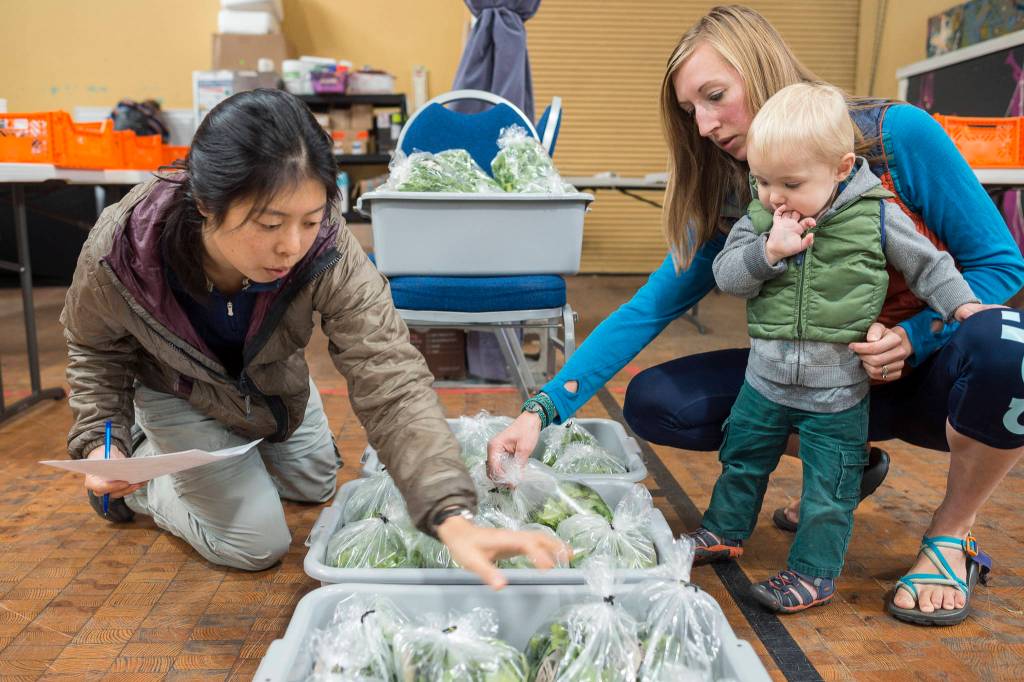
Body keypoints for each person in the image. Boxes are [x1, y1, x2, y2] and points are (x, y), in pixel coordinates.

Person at [488, 5, 1024, 624]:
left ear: (762, 68)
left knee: (1008, 348)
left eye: (715, 96)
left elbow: (999, 265)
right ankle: (847, 463)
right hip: (814, 380)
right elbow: (646, 310)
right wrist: (540, 410)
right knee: (658, 400)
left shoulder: (893, 136)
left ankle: (950, 535)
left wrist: (914, 335)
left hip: (929, 382)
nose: (705, 125)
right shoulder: (741, 191)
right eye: (691, 111)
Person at [62, 88, 565, 589]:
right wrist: (105, 441)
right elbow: (94, 347)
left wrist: (451, 516)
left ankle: (231, 460)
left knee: (316, 482)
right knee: (255, 543)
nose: (292, 246)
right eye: (270, 223)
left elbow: (389, 372)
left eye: (309, 220)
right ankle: (148, 477)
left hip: (270, 383)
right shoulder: (124, 248)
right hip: (180, 390)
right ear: (206, 203)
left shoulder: (327, 247)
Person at [691, 81, 989, 614]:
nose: (774, 196)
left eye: (791, 183)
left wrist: (962, 306)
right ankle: (723, 530)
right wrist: (766, 253)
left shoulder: (876, 214)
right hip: (764, 381)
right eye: (762, 180)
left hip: (838, 390)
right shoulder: (760, 220)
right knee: (741, 460)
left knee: (829, 487)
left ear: (841, 168)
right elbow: (728, 276)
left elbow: (930, 267)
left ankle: (813, 573)